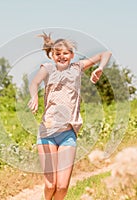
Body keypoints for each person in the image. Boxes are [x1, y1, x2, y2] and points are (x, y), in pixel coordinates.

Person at [28, 32, 112, 200]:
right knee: (50, 185)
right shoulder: (47, 68)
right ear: (52, 55)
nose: (61, 56)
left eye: (65, 53)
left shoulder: (77, 67)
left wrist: (100, 68)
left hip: (68, 133)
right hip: (47, 134)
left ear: (72, 55)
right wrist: (34, 96)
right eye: (57, 54)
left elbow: (106, 53)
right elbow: (35, 82)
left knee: (62, 187)